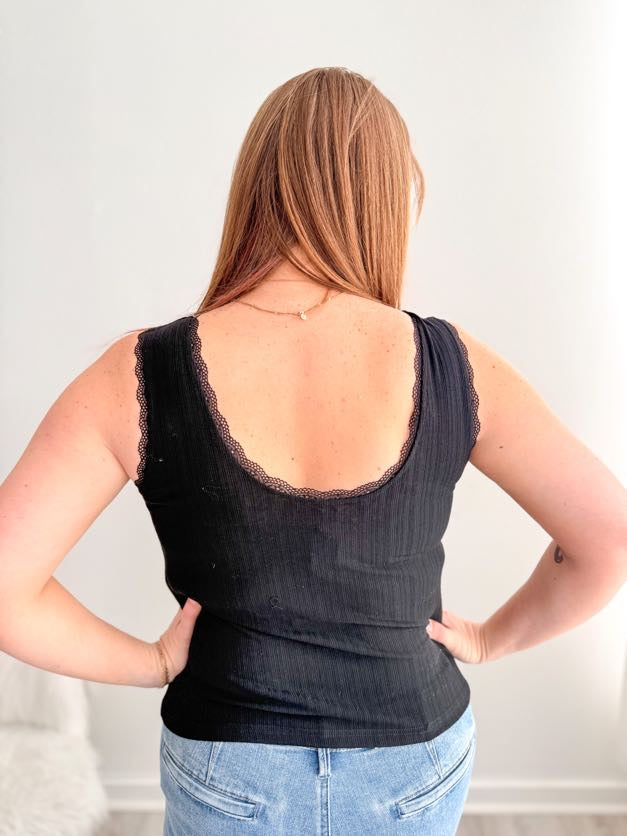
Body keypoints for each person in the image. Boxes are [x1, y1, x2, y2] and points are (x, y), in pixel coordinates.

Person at [1, 67, 626, 836]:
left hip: (230, 759)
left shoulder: (138, 372)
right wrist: (491, 639)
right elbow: (609, 534)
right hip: (410, 755)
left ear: (254, 187)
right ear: (384, 199)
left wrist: (150, 663)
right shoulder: (452, 363)